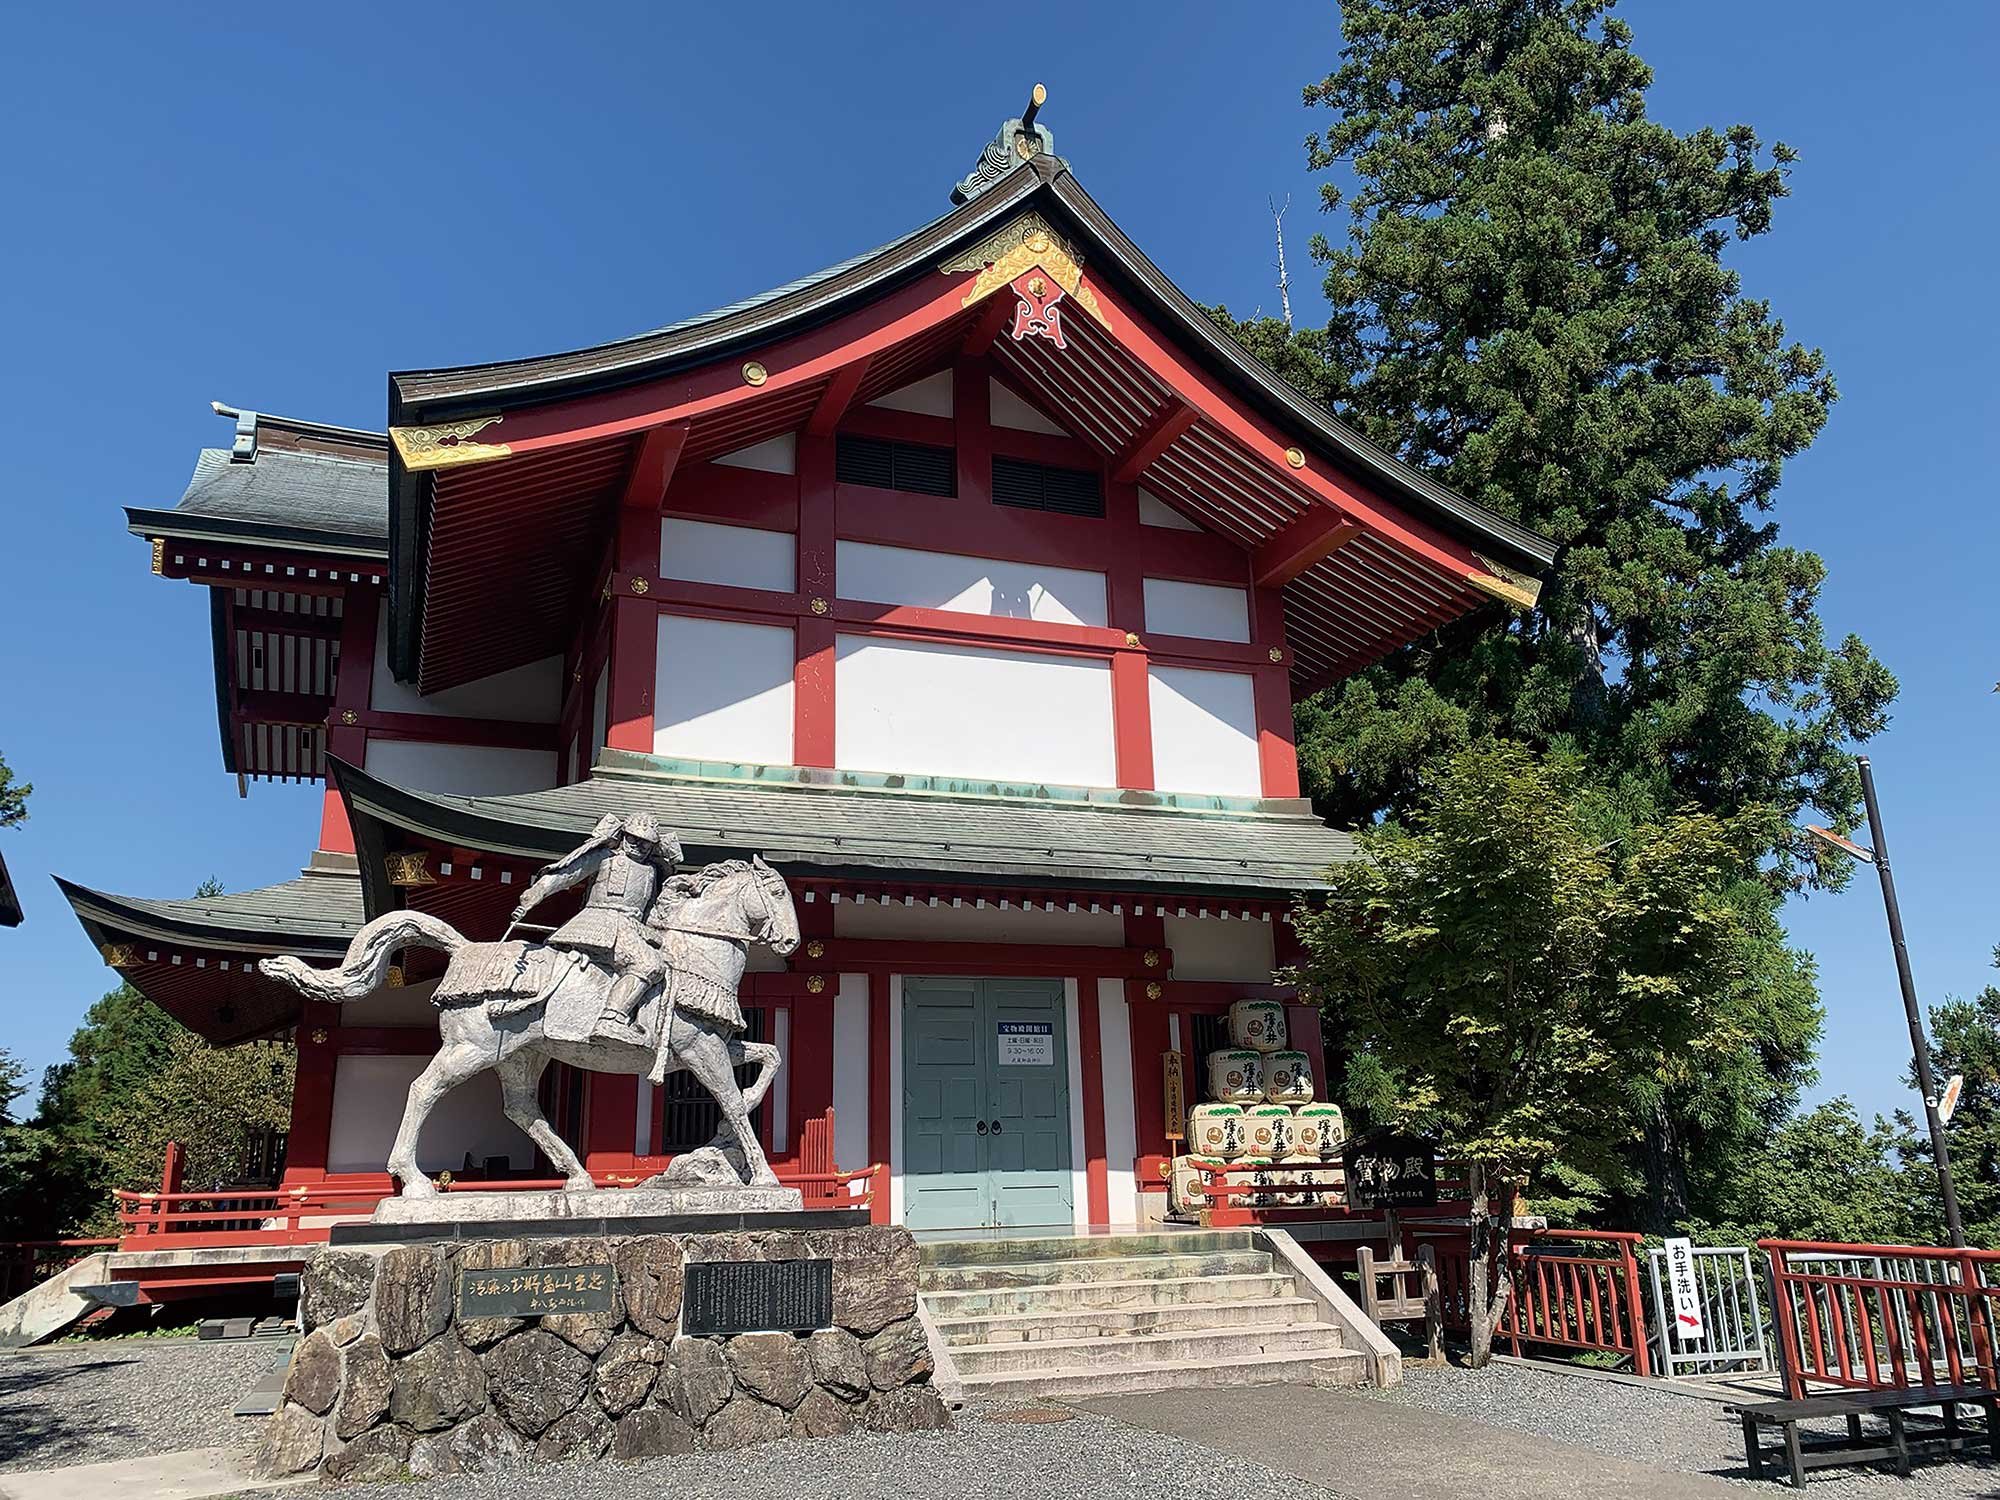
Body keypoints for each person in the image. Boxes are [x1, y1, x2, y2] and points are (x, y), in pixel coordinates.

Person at [508, 812, 683, 1045]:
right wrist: (534, 894)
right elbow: (567, 874)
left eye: (646, 842)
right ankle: (611, 1019)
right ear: (623, 835)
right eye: (633, 838)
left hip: (632, 928)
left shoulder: (652, 871)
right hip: (599, 924)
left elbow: (649, 908)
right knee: (649, 964)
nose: (638, 845)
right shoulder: (605, 857)